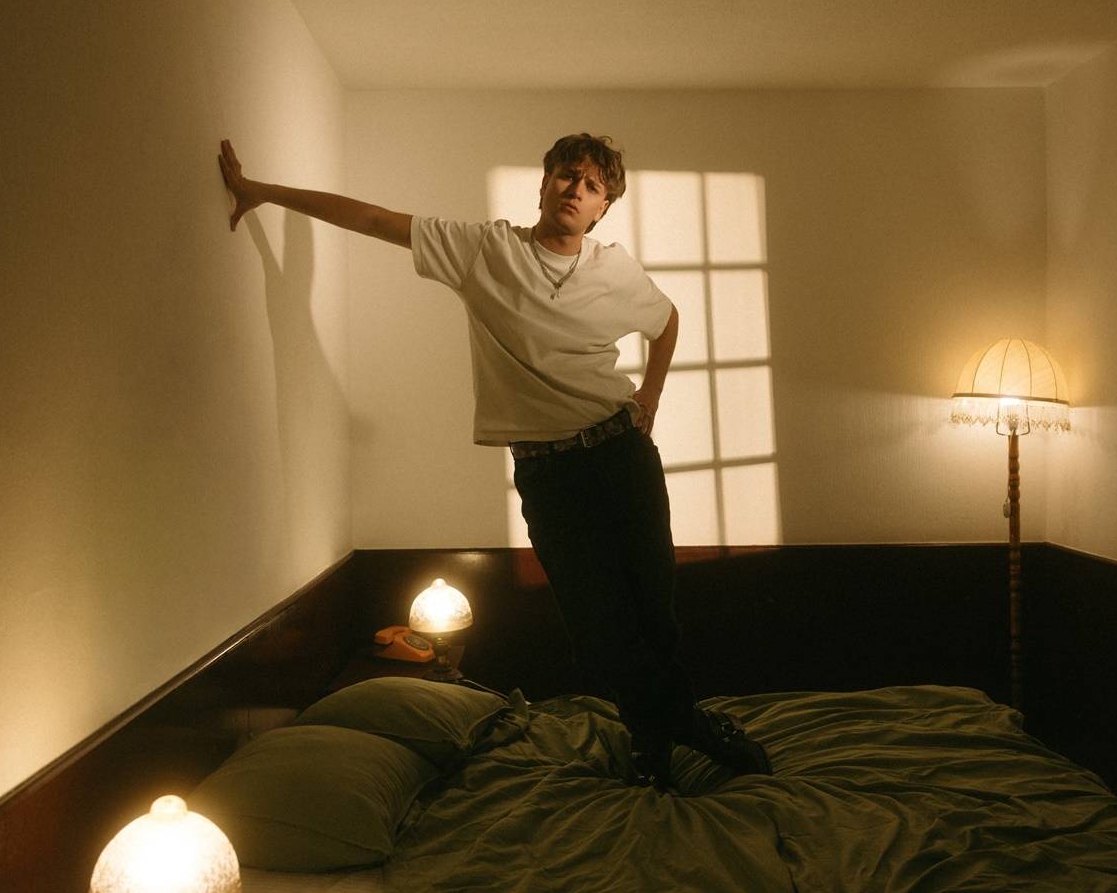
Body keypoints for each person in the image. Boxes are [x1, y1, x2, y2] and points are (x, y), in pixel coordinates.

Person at [218, 133, 770, 791]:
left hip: (622, 455)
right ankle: (691, 726)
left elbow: (667, 319)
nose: (575, 190)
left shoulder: (615, 270)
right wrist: (260, 192)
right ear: (544, 184)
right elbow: (371, 219)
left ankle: (654, 742)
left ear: (602, 208)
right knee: (597, 629)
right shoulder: (484, 250)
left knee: (654, 612)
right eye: (566, 175)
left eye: (592, 186)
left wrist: (650, 395)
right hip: (548, 474)